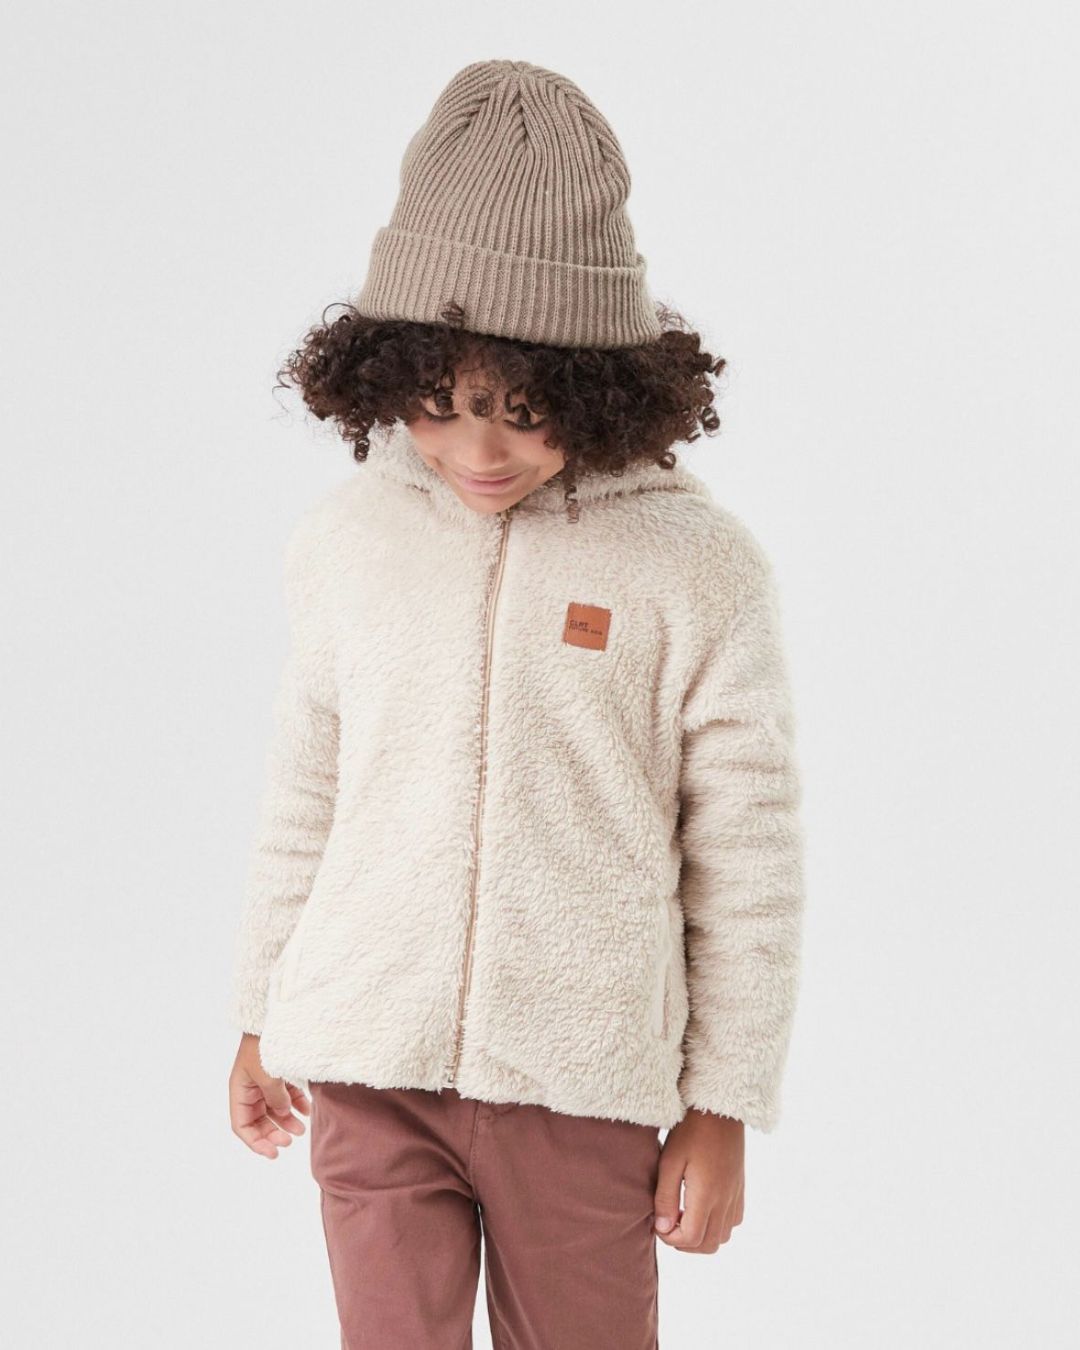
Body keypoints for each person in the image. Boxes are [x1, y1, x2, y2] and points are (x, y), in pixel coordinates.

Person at [227, 57, 806, 1350]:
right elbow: (306, 792)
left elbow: (746, 852)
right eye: (439, 405)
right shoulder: (347, 544)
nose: (478, 452)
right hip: (369, 1061)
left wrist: (722, 1102)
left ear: (598, 385)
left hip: (582, 1077)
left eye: (525, 411)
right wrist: (265, 1008)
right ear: (387, 371)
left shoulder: (696, 569)